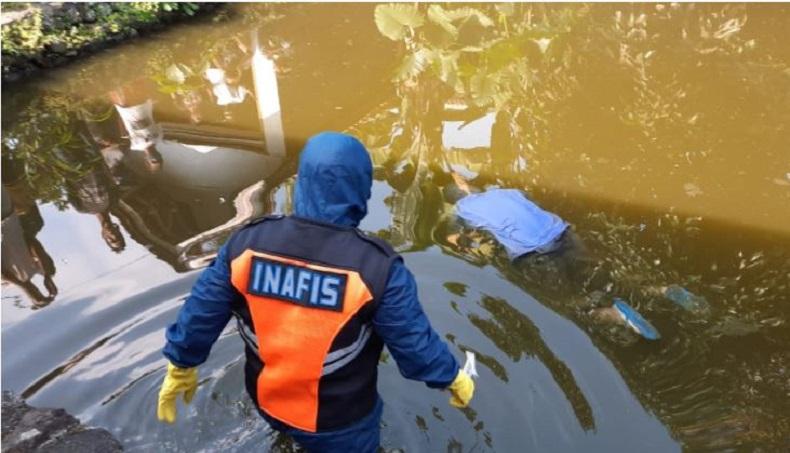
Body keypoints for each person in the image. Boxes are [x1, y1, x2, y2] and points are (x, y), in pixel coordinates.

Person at [157, 132, 475, 452]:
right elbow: (413, 344)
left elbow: (202, 310)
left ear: (303, 181)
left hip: (268, 403)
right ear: (361, 186)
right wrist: (450, 377)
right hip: (339, 423)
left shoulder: (247, 244)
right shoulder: (378, 268)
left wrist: (181, 364)